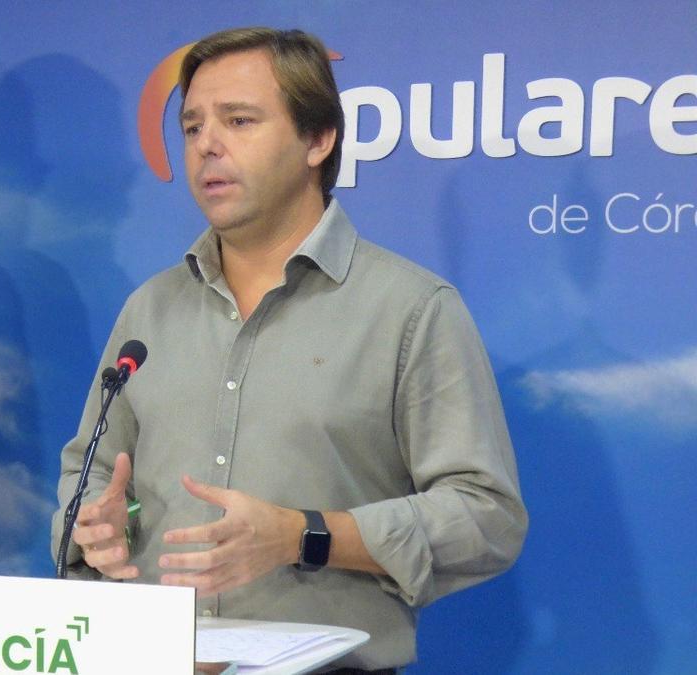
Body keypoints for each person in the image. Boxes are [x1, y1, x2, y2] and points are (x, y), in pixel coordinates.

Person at [52, 27, 526, 671]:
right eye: (191, 128)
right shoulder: (151, 309)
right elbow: (93, 477)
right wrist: (100, 528)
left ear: (317, 138)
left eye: (238, 120)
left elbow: (485, 516)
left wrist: (305, 536)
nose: (207, 146)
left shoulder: (410, 308)